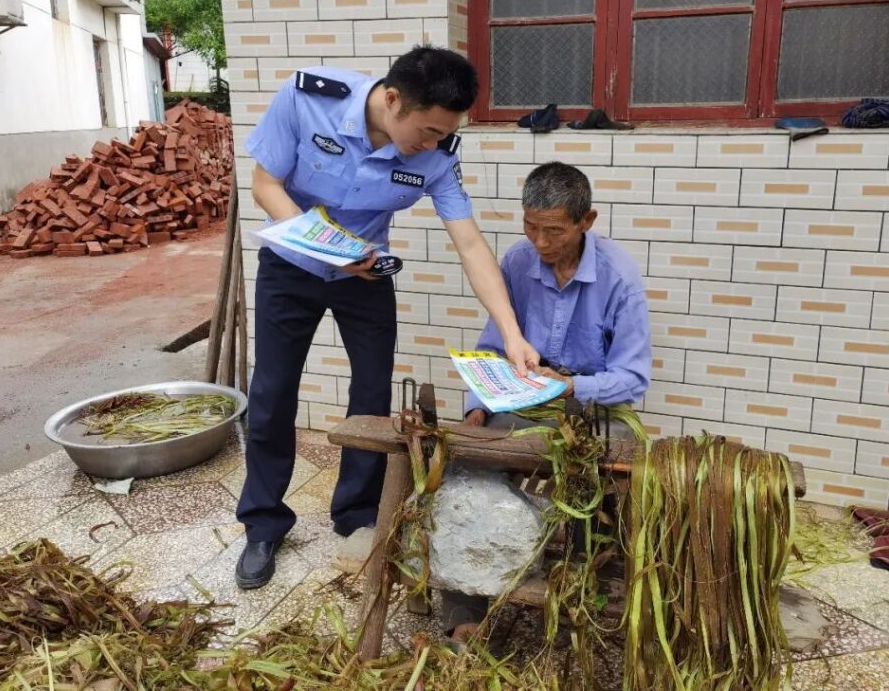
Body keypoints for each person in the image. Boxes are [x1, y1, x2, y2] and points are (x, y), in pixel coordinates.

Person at [235, 46, 539, 589]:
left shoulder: (440, 154)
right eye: (425, 132)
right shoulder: (309, 99)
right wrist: (327, 247)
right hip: (291, 265)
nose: (431, 145)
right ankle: (263, 522)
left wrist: (513, 335)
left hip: (367, 276)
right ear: (392, 99)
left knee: (372, 395)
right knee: (272, 392)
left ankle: (355, 512)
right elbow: (265, 186)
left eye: (444, 134)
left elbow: (469, 245)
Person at [441, 161, 652, 639]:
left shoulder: (619, 277)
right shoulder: (517, 263)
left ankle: (583, 593)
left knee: (591, 481)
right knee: (467, 470)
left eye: (554, 230)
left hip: (596, 408)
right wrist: (478, 404)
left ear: (587, 221)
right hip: (523, 404)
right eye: (531, 227)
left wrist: (572, 386)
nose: (540, 242)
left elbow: (633, 377)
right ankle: (465, 611)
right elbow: (494, 347)